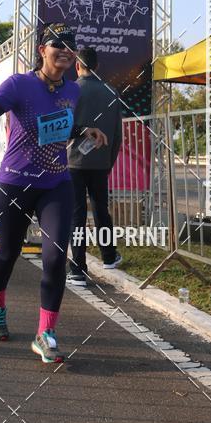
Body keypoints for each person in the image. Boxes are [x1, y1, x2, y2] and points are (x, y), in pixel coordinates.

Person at [0, 23, 107, 363]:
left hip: (56, 183)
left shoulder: (73, 90)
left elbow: (56, 126)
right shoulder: (19, 84)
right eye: (57, 44)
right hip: (15, 184)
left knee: (56, 257)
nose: (64, 50)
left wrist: (82, 130)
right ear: (42, 50)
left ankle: (46, 334)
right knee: (8, 253)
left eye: (70, 45)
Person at [67, 47, 123, 286]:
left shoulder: (70, 90)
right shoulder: (111, 92)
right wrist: (108, 161)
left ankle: (78, 269)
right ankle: (109, 256)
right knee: (101, 209)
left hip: (72, 162)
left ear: (77, 66)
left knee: (77, 214)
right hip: (101, 161)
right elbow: (117, 134)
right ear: (97, 66)